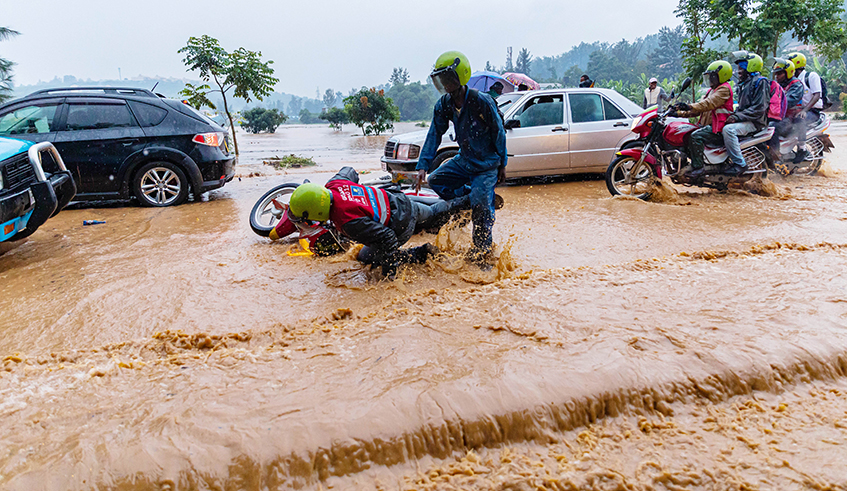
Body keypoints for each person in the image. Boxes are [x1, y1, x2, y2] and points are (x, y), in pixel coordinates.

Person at [416, 50, 507, 264]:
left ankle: (482, 253)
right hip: (464, 160)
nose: (445, 84)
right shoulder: (444, 104)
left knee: (482, 211)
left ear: (460, 76)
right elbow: (434, 134)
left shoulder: (481, 101)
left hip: (486, 166)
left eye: (448, 78)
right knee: (436, 180)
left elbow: (499, 132)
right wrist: (422, 166)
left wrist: (502, 164)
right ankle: (471, 198)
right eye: (441, 79)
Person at [287, 168, 460, 279]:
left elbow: (388, 238)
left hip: (400, 225)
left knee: (365, 257)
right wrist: (357, 197)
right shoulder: (335, 184)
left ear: (317, 211)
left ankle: (422, 254)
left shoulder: (347, 222)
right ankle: (470, 203)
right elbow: (349, 171)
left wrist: (389, 275)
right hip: (402, 202)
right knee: (436, 212)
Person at [673, 60, 734, 178]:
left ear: (721, 75)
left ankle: (699, 167)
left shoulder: (724, 89)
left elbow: (708, 104)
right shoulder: (712, 91)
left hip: (718, 128)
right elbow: (698, 110)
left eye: (712, 76)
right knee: (685, 133)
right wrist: (677, 113)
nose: (710, 79)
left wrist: (689, 106)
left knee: (695, 136)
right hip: (707, 126)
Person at [719, 51, 769, 175]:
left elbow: (759, 108)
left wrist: (736, 117)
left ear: (751, 66)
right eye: (738, 67)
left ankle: (739, 164)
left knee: (729, 130)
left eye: (742, 67)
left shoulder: (760, 82)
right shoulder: (743, 84)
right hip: (745, 120)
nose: (738, 70)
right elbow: (742, 107)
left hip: (755, 122)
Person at [786, 52, 823, 163]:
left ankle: (802, 149)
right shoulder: (792, 80)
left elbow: (817, 95)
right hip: (798, 109)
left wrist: (805, 110)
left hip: (812, 111)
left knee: (799, 119)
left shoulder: (811, 76)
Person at [768, 59, 804, 162]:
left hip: (790, 119)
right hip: (779, 117)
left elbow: (788, 101)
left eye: (779, 74)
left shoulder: (796, 85)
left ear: (788, 72)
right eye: (776, 74)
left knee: (772, 128)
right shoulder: (778, 86)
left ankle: (776, 158)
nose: (777, 76)